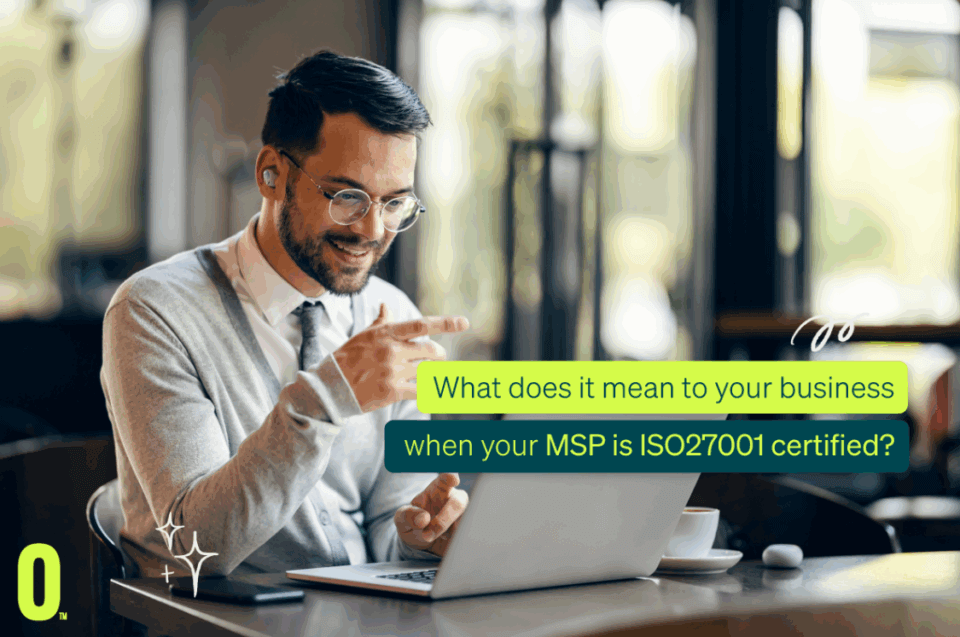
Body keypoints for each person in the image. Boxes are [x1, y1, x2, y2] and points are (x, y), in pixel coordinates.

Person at [101, 50, 470, 577]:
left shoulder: (392, 313)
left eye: (394, 204)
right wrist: (327, 398)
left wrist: (417, 534)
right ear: (272, 174)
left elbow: (390, 519)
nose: (371, 231)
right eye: (347, 196)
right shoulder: (155, 310)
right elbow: (193, 546)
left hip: (354, 617)